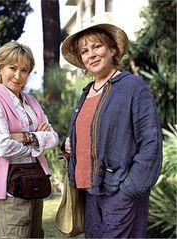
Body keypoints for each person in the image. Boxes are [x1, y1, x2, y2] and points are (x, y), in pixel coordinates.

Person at [60, 23, 163, 238]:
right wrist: (69, 145)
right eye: (84, 51)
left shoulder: (134, 88)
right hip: (90, 193)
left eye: (97, 46)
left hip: (119, 193)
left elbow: (151, 144)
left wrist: (129, 191)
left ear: (112, 49)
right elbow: (91, 134)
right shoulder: (86, 93)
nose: (91, 55)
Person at [0, 41, 59, 238]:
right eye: (12, 68)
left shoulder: (31, 102)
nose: (18, 75)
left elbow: (53, 137)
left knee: (36, 235)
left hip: (35, 181)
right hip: (10, 188)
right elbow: (3, 147)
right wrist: (37, 143)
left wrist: (25, 137)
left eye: (24, 70)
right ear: (0, 68)